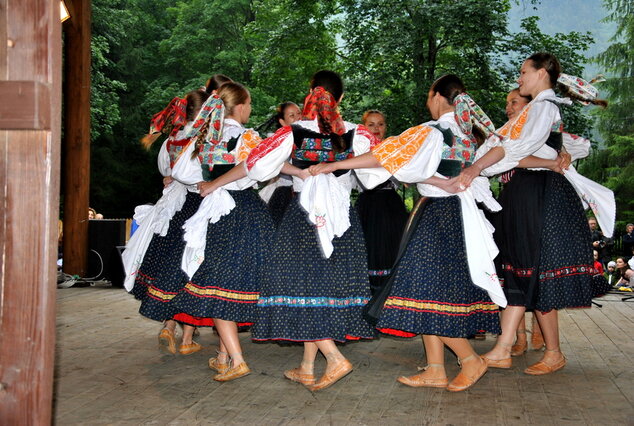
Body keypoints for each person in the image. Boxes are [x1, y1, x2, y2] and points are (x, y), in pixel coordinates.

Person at [310, 74, 504, 392]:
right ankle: (436, 368)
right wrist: (473, 169)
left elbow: (385, 156)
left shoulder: (432, 131)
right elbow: (500, 149)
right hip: (457, 214)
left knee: (425, 292)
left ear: (436, 95)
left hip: (438, 215)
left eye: (429, 96)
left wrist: (334, 165)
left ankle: (470, 359)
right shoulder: (467, 129)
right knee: (426, 294)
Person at [459, 52, 606, 375]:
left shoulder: (542, 107)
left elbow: (516, 149)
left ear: (541, 73)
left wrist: (479, 167)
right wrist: (554, 154)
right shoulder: (539, 109)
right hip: (526, 194)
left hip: (540, 195)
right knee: (522, 270)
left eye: (524, 72)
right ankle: (506, 347)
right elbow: (523, 147)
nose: (519, 78)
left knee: (533, 270)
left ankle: (546, 351)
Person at [243, 70, 377, 391]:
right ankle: (306, 366)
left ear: (311, 95)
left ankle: (332, 358)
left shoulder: (295, 131)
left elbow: (256, 163)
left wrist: (299, 171)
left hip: (304, 219)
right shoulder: (356, 133)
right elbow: (384, 162)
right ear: (340, 99)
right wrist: (339, 165)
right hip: (341, 221)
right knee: (318, 292)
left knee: (299, 288)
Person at [170, 81, 274, 381]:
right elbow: (256, 168)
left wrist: (206, 184)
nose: (250, 110)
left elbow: (179, 172)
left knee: (217, 287)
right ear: (240, 107)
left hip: (217, 213)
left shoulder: (205, 136)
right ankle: (230, 356)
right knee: (228, 287)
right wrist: (222, 181)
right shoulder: (247, 136)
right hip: (247, 211)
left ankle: (230, 356)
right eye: (250, 105)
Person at [127, 89, 210, 355]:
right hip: (200, 204)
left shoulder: (171, 139)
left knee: (173, 266)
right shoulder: (205, 136)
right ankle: (186, 337)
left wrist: (172, 177)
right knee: (194, 270)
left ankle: (169, 326)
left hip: (176, 208)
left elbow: (166, 170)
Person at [356, 110, 408, 296]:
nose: (376, 128)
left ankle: (392, 296)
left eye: (380, 124)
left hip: (391, 203)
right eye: (371, 124)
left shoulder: (393, 148)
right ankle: (369, 296)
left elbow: (407, 179)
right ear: (364, 127)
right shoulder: (358, 149)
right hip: (368, 204)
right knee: (370, 248)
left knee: (393, 246)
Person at [256, 102, 303, 227]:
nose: (298, 118)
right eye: (292, 116)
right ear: (282, 122)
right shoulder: (278, 142)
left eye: (299, 113)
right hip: (286, 194)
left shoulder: (312, 138)